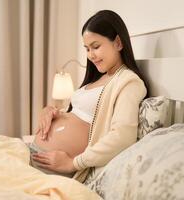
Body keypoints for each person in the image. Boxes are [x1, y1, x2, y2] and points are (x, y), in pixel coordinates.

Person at [30, 10, 148, 182]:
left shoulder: (128, 82)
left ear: (118, 43)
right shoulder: (99, 78)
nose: (90, 55)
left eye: (96, 46)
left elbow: (122, 136)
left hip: (59, 169)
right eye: (87, 49)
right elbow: (80, 113)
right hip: (38, 156)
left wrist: (73, 163)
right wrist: (49, 111)